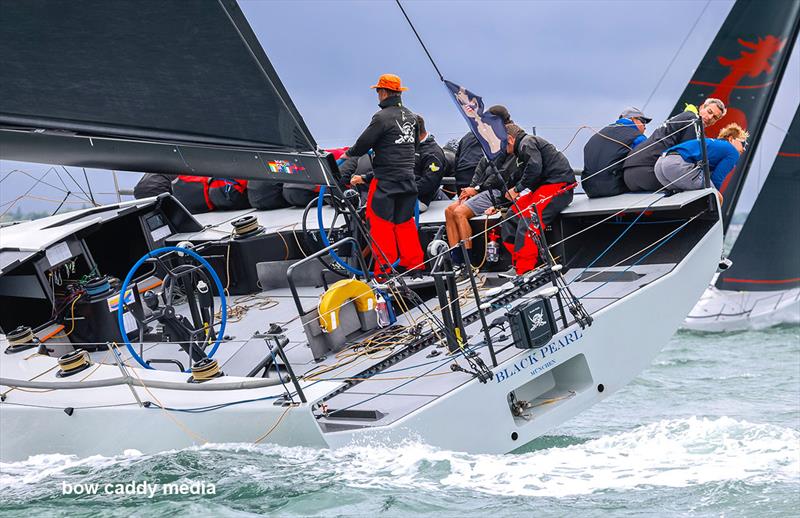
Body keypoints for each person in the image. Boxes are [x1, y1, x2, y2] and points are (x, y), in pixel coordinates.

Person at [338, 74, 423, 278]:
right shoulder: (412, 116)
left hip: (386, 181)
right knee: (405, 224)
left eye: (378, 91)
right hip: (408, 180)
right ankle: (415, 267)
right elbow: (415, 146)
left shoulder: (381, 117)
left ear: (383, 92)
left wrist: (347, 155)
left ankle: (384, 272)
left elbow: (363, 143)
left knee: (381, 226)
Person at [500, 123, 575, 275]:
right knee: (511, 215)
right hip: (541, 188)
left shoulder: (527, 143)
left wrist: (517, 189)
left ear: (509, 139)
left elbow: (534, 167)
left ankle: (525, 269)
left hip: (558, 184)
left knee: (529, 218)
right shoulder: (520, 151)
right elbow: (520, 174)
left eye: (501, 142)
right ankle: (519, 263)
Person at [622, 98, 726, 192]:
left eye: (715, 118)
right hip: (646, 171)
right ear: (702, 106)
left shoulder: (685, 116)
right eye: (709, 112)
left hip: (628, 174)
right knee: (697, 185)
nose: (710, 117)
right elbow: (689, 158)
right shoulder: (693, 120)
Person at [444, 150, 518, 266]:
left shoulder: (509, 155)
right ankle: (457, 260)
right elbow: (477, 176)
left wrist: (477, 189)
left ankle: (469, 263)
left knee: (459, 212)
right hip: (480, 191)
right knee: (449, 211)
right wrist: (470, 190)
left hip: (494, 192)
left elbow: (500, 177)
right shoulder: (487, 156)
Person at [654, 122, 748, 193]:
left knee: (685, 195)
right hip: (677, 165)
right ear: (731, 139)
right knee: (714, 195)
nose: (744, 149)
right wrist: (717, 198)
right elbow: (717, 179)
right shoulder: (732, 152)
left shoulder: (713, 144)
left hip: (660, 164)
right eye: (743, 143)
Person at [582, 107, 650, 198]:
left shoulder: (597, 135)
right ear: (633, 119)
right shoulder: (638, 137)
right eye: (643, 121)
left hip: (589, 190)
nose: (645, 126)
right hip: (614, 188)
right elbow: (649, 159)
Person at [452, 105, 513, 192]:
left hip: (461, 177)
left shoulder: (468, 136)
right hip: (481, 178)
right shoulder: (500, 136)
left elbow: (457, 160)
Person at [413, 114, 446, 212]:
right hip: (400, 194)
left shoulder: (433, 153)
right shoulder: (409, 147)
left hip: (418, 200)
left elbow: (429, 183)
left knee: (385, 209)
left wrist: (402, 190)